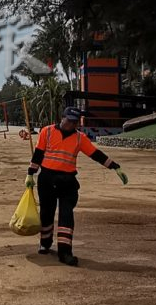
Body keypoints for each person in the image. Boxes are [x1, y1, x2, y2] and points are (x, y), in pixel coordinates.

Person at [26, 106, 128, 266]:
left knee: (67, 215)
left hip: (68, 181)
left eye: (75, 122)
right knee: (46, 213)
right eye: (69, 121)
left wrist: (114, 166)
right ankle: (45, 243)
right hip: (47, 178)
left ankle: (65, 252)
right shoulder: (47, 131)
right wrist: (30, 173)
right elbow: (38, 154)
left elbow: (95, 154)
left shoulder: (80, 138)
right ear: (62, 118)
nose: (72, 125)